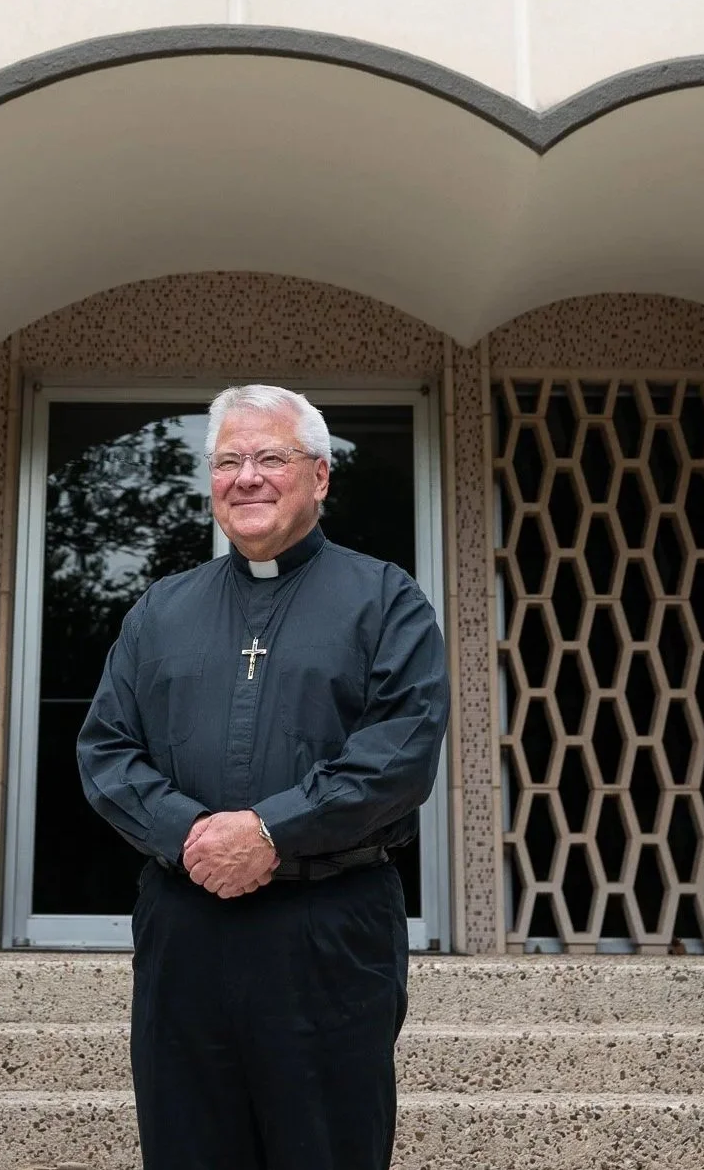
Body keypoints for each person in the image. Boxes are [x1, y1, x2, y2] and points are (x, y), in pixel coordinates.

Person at [76, 383, 450, 1170]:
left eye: (270, 457)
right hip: (185, 927)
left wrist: (272, 831)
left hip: (328, 928)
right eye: (227, 460)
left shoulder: (386, 601)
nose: (246, 476)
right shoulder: (158, 610)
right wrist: (191, 835)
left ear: (318, 476)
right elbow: (105, 750)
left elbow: (399, 752)